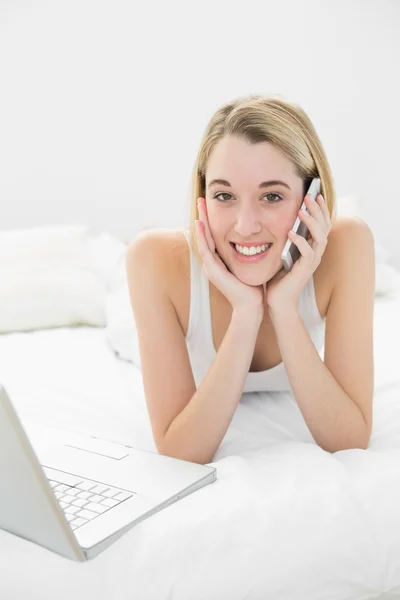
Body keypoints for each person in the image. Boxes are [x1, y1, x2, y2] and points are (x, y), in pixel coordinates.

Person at [126, 94, 375, 465]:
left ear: (313, 197)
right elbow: (181, 451)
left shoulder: (349, 245)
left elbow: (349, 439)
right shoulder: (152, 260)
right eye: (224, 195)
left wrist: (283, 306)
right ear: (202, 197)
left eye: (272, 196)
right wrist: (245, 312)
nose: (245, 226)